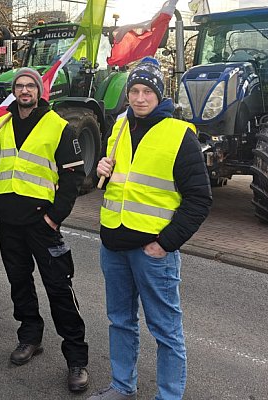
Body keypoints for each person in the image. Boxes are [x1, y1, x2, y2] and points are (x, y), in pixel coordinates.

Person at [87, 57, 212, 400]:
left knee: (166, 331)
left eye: (147, 91)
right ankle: (122, 386)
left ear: (160, 94)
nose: (140, 98)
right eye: (134, 91)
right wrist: (102, 168)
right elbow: (118, 180)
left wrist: (165, 243)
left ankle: (168, 396)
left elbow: (200, 199)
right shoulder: (119, 126)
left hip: (152, 252)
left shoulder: (179, 135)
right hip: (113, 244)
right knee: (120, 321)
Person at [0, 67, 89, 392]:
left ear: (40, 91)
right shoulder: (2, 124)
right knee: (20, 284)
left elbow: (73, 177)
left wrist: (54, 218)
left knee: (59, 289)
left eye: (30, 86)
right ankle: (30, 337)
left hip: (42, 223)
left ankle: (76, 360)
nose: (25, 91)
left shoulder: (59, 126)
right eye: (20, 86)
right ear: (14, 91)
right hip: (10, 223)